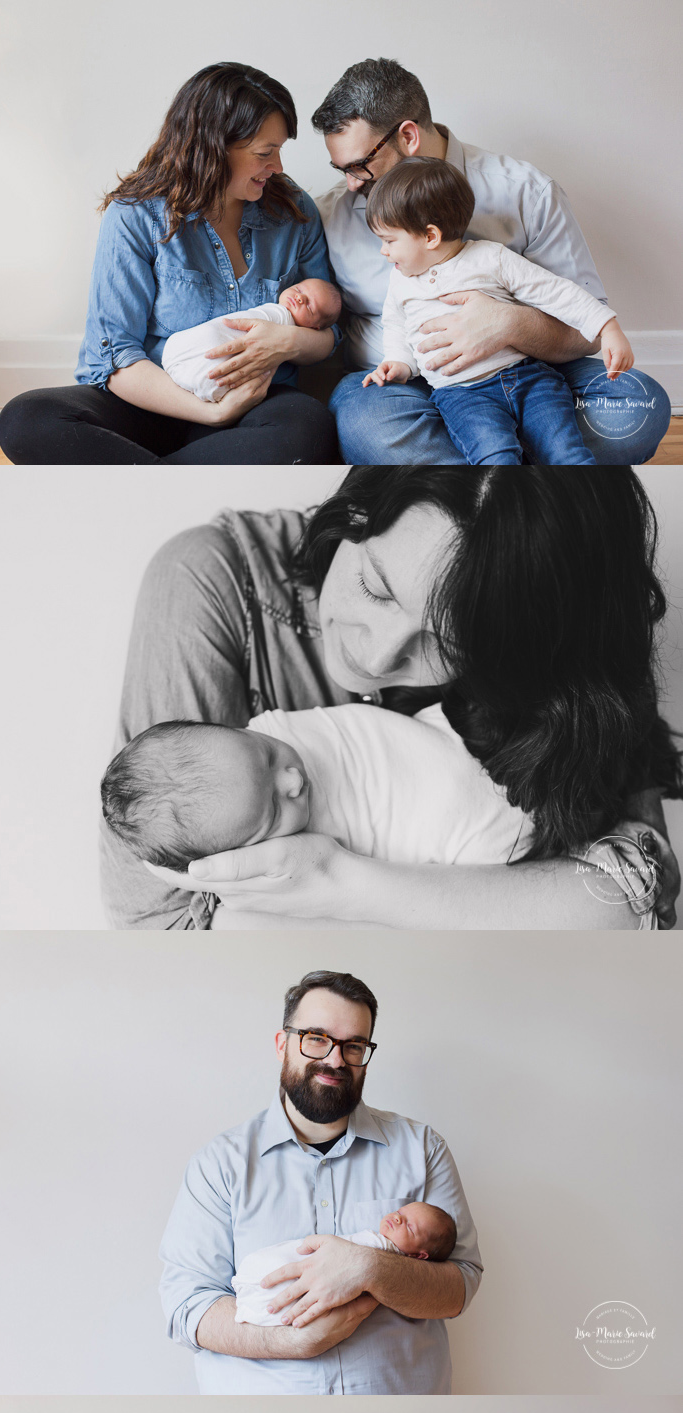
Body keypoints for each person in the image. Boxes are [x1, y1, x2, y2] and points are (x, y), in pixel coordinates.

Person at [101, 468, 681, 932]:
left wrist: (342, 883)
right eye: (375, 589)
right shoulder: (213, 582)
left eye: (447, 644)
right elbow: (161, 926)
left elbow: (636, 894)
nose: (375, 660)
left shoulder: (554, 655)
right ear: (355, 514)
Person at [311, 58, 670, 464]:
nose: (351, 184)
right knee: (366, 426)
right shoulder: (330, 214)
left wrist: (509, 324)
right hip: (406, 390)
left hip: (531, 376)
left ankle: (480, 480)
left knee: (638, 407)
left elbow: (585, 327)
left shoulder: (525, 193)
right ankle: (533, 474)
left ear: (408, 136)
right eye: (341, 170)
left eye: (360, 167)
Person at [0, 65, 339, 465]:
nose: (278, 166)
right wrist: (211, 412)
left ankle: (148, 476)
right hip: (152, 403)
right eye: (265, 153)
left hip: (254, 407)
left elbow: (330, 333)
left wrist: (284, 342)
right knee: (26, 418)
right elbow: (115, 357)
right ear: (214, 146)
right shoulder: (135, 215)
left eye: (279, 150)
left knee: (309, 429)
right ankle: (195, 473)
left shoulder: (293, 211)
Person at [159, 969, 481, 1394]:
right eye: (316, 1037)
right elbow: (187, 1307)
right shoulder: (219, 1166)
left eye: (353, 1046)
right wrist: (294, 1341)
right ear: (283, 1044)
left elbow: (458, 1288)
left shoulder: (423, 1148)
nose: (335, 1059)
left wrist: (370, 1267)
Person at [362, 159, 632, 465]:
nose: (383, 251)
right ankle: (511, 511)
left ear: (430, 237)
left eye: (388, 241)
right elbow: (396, 325)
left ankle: (587, 509)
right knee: (495, 459)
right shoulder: (400, 280)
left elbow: (555, 291)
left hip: (527, 378)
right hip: (462, 395)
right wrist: (398, 363)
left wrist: (607, 327)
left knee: (565, 452)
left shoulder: (489, 258)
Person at [99, 703, 532, 873]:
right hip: (476, 839)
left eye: (267, 756)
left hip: (454, 729)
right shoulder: (278, 860)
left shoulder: (264, 728)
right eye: (272, 809)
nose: (292, 779)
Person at [232, 1201, 457, 1327]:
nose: (397, 1218)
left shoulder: (382, 1250)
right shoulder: (373, 1239)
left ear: (419, 1257)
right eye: (400, 1212)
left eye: (409, 1227)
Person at [162, 277, 341, 402]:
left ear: (315, 328)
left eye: (310, 305)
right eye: (299, 289)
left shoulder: (284, 321)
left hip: (252, 392)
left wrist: (290, 339)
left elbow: (331, 335)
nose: (300, 298)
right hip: (167, 380)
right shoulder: (275, 311)